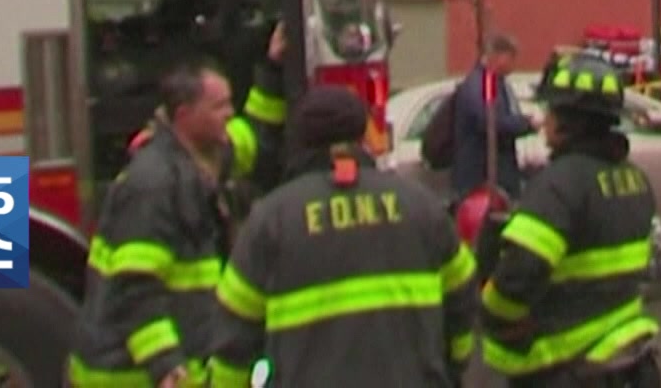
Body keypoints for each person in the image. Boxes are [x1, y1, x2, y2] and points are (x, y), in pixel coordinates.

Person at [207, 87, 478, 388]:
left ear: (300, 141)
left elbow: (235, 335)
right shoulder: (422, 207)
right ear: (363, 135)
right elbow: (462, 294)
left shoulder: (271, 221)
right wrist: (452, 365)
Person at [68, 26, 289, 388]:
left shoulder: (204, 156)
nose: (229, 114)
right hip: (127, 377)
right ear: (186, 115)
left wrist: (273, 68)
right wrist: (165, 365)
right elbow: (134, 287)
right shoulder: (153, 185)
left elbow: (256, 141)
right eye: (219, 106)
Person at [481, 51, 661, 387]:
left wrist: (493, 314)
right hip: (627, 359)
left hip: (568, 367)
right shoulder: (635, 178)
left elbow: (519, 274)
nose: (544, 119)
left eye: (551, 110)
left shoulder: (559, 185)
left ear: (569, 121)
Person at [451, 32, 537, 202]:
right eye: (513, 58)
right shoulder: (481, 84)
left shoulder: (496, 82)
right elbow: (488, 121)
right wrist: (526, 123)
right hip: (481, 174)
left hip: (495, 172)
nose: (514, 65)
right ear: (501, 57)